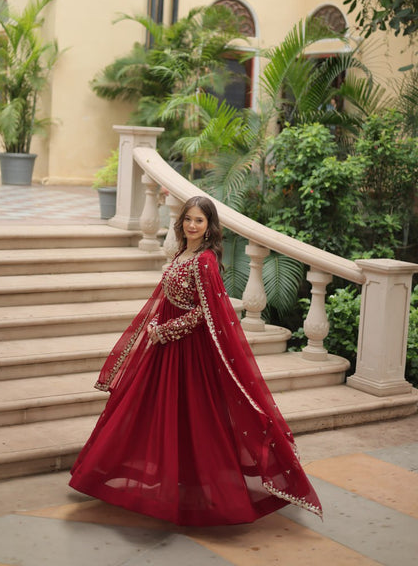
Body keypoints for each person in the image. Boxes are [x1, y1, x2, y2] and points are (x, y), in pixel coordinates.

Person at [69, 196, 322, 526]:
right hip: (165, 351)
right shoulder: (181, 252)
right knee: (151, 411)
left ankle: (199, 493)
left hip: (189, 353)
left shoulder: (204, 261)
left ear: (209, 226)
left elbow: (206, 312)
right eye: (188, 218)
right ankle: (151, 478)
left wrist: (168, 330)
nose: (191, 225)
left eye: (199, 220)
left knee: (193, 416)